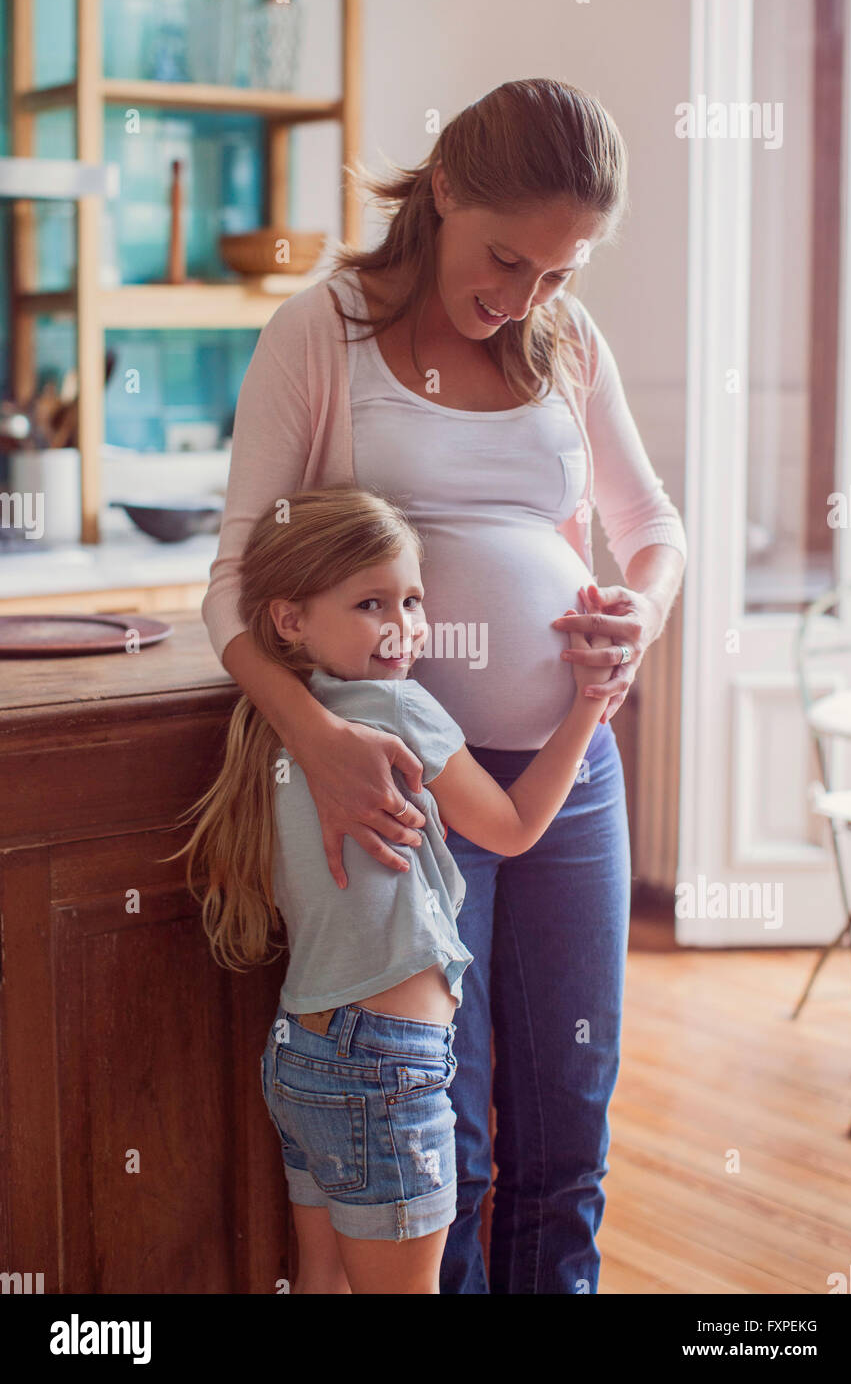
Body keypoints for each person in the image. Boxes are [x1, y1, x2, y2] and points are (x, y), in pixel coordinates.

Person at [200, 77, 687, 1294]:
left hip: (569, 781)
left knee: (569, 1121)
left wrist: (640, 615)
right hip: (404, 794)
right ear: (448, 193)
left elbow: (651, 524)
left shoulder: (566, 342)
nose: (523, 299)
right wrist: (314, 738)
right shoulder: (324, 334)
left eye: (560, 273)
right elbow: (229, 592)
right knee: (440, 1128)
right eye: (507, 259)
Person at [170, 485, 612, 1293]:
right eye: (371, 603)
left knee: (322, 1285)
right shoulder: (402, 708)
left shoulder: (275, 722)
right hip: (386, 1068)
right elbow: (512, 828)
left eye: (411, 600)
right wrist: (589, 704)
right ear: (289, 619)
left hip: (302, 1056)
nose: (402, 625)